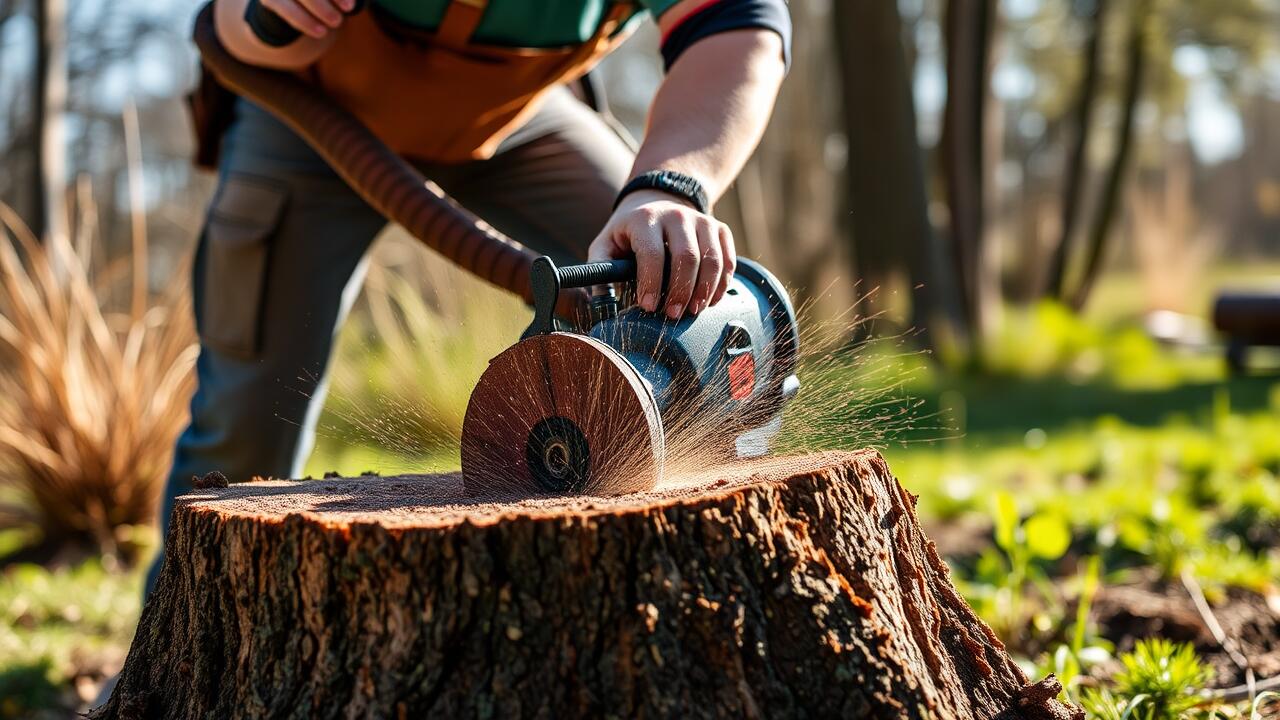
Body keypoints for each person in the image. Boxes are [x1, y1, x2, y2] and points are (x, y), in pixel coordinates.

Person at [147, 0, 790, 593]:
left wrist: (667, 187)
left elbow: (736, 20)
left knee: (669, 294)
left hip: (518, 115)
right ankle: (165, 674)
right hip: (309, 115)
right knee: (246, 422)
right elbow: (228, 30)